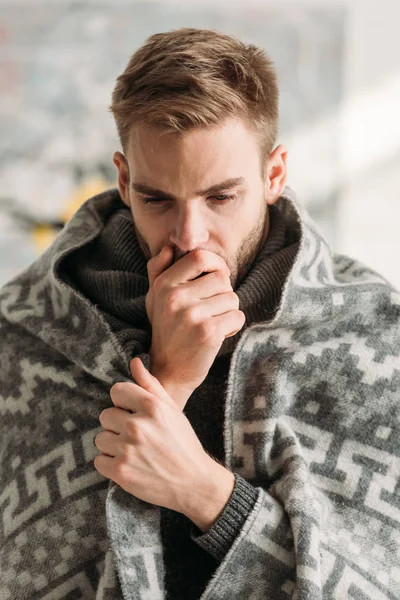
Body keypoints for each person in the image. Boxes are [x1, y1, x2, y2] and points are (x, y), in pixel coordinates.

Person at [1, 27, 399, 600]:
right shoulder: (21, 333)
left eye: (221, 197)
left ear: (274, 175)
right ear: (123, 178)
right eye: (156, 199)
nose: (191, 237)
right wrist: (168, 378)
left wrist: (206, 495)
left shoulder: (377, 333)